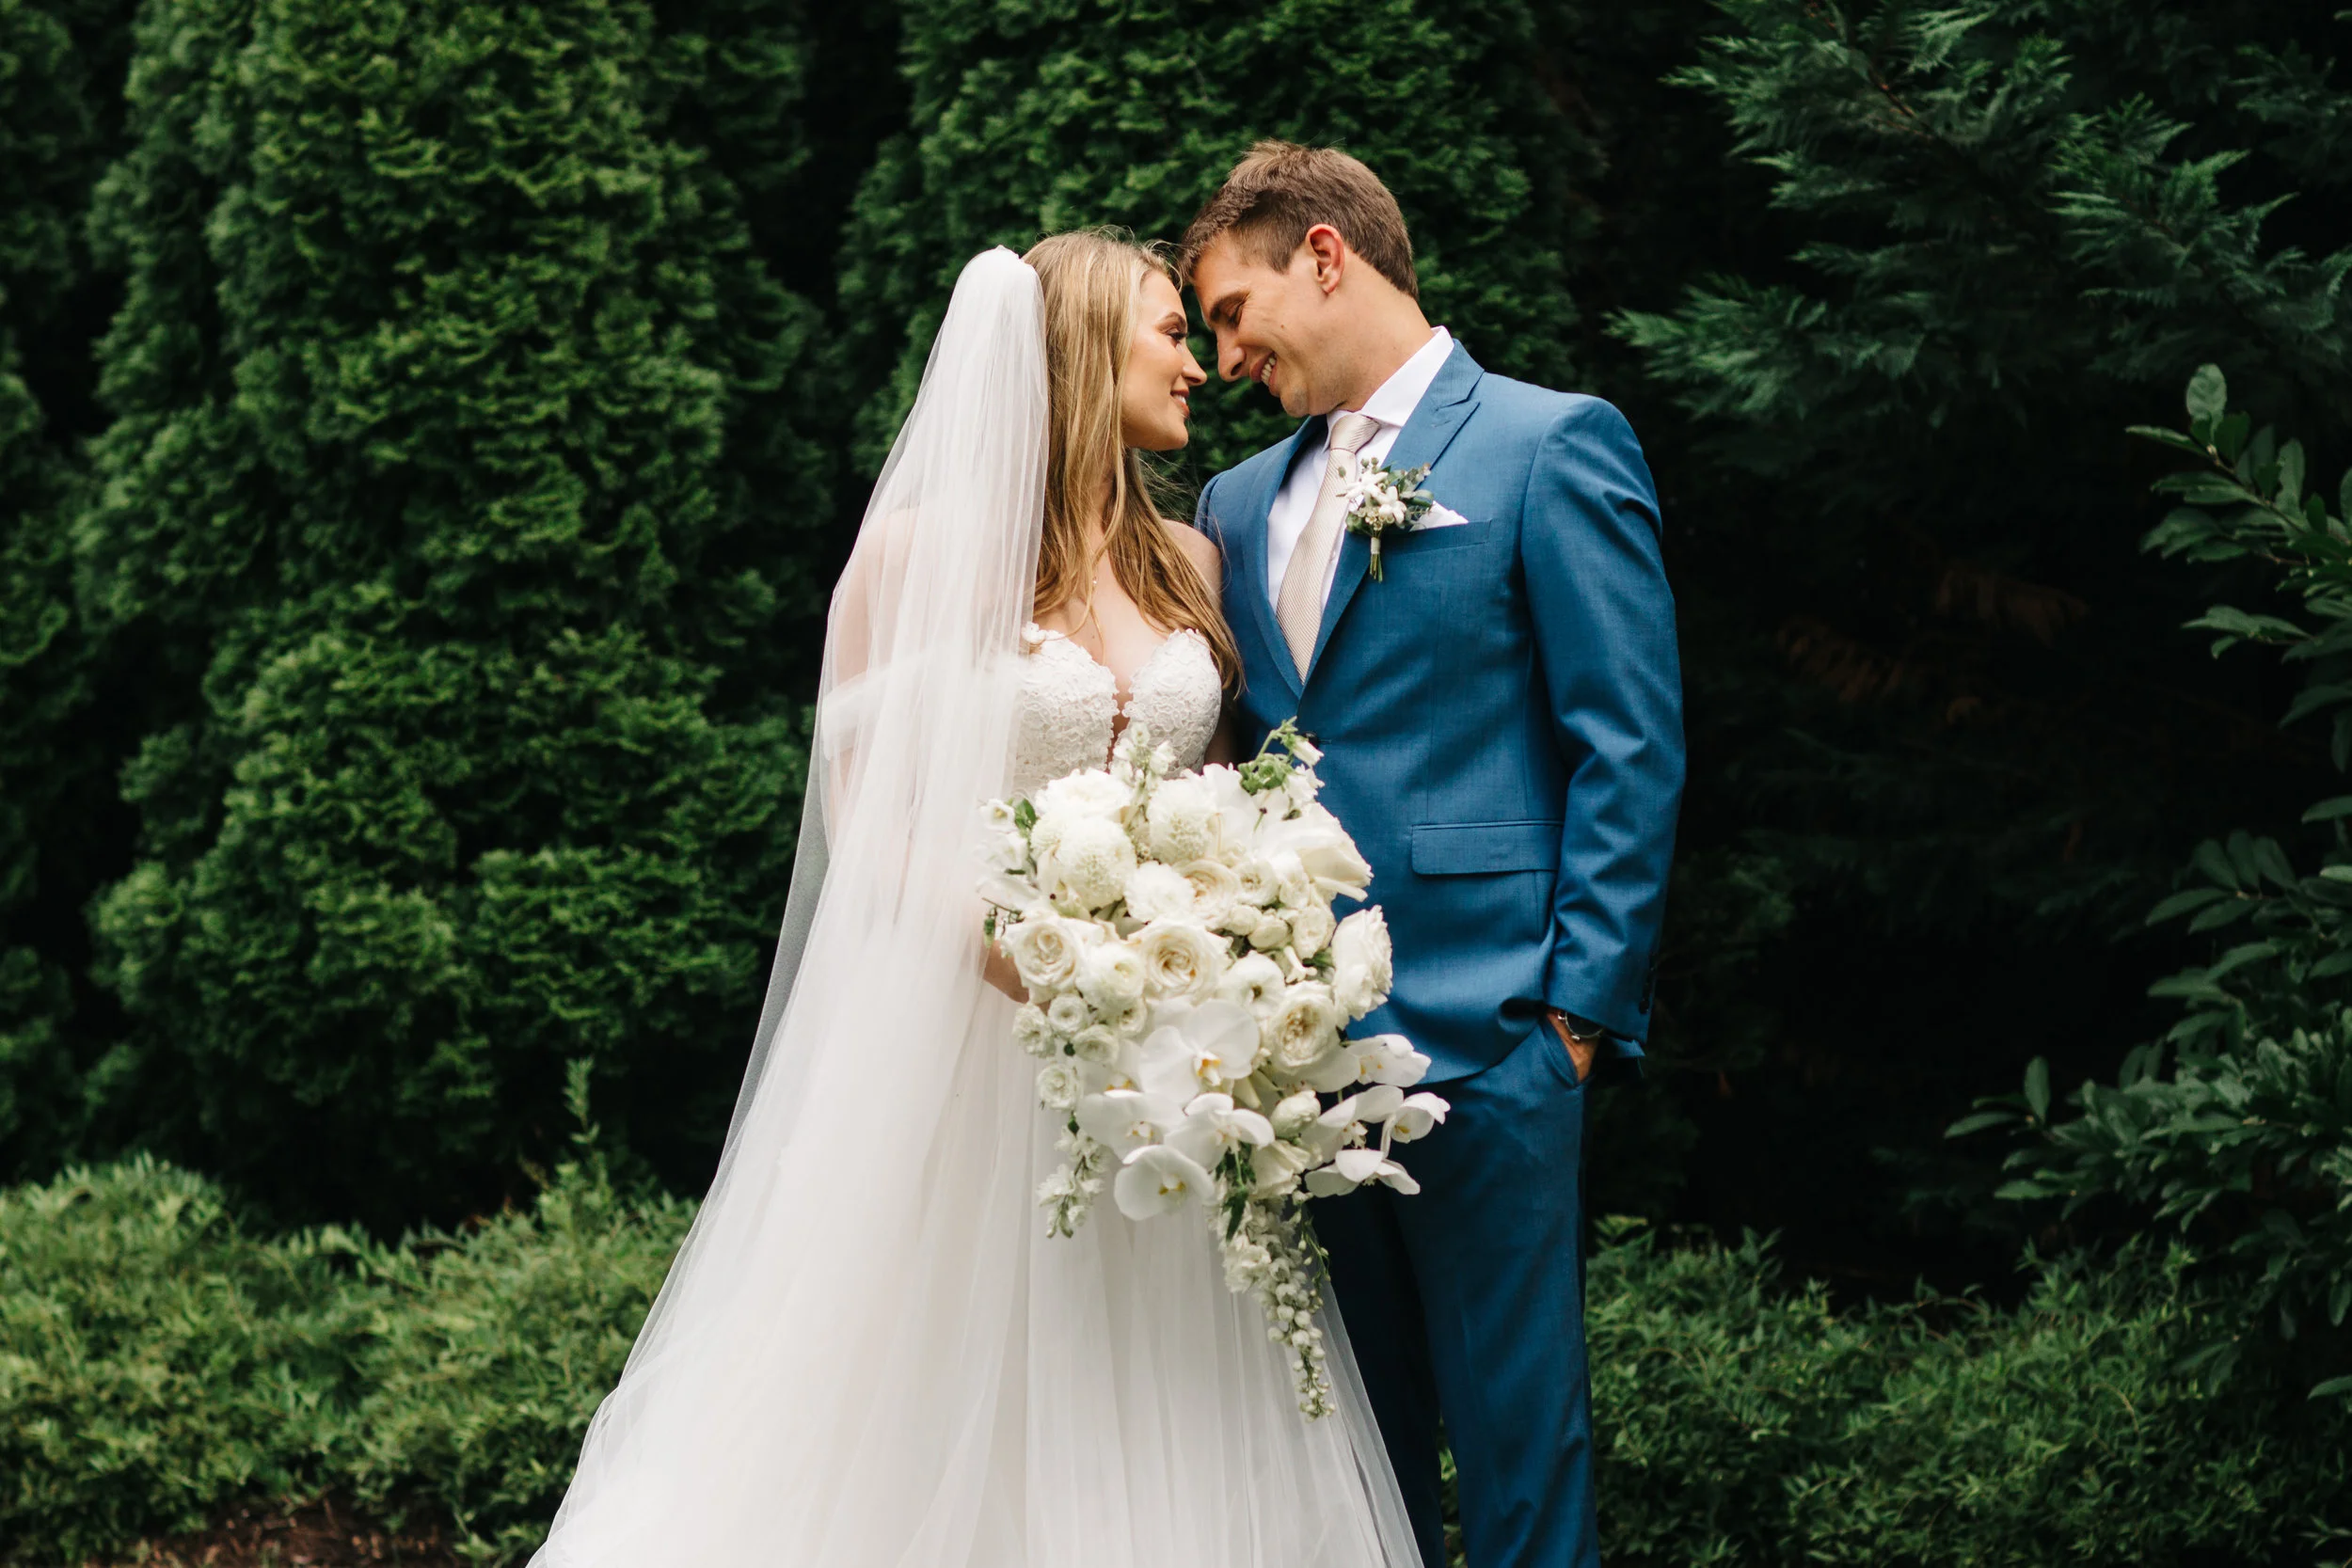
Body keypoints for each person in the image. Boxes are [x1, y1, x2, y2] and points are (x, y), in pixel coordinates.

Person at [529, 231, 1422, 1566]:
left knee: (1169, 1384)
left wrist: (1244, 934)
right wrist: (1006, 941)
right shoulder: (920, 555)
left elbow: (1226, 783)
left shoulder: (1189, 557)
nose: (1196, 362)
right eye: (1169, 331)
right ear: (1077, 349)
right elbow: (861, 795)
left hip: (1170, 1058)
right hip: (972, 1046)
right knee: (944, 1388)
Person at [1184, 141, 1686, 1568]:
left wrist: (1574, 1019)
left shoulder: (1547, 443)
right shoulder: (1230, 503)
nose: (1224, 356)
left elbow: (1628, 744)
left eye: (1234, 311)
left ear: (1326, 255)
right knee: (1352, 1471)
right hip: (1294, 1067)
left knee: (1524, 1460)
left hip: (1495, 1036)